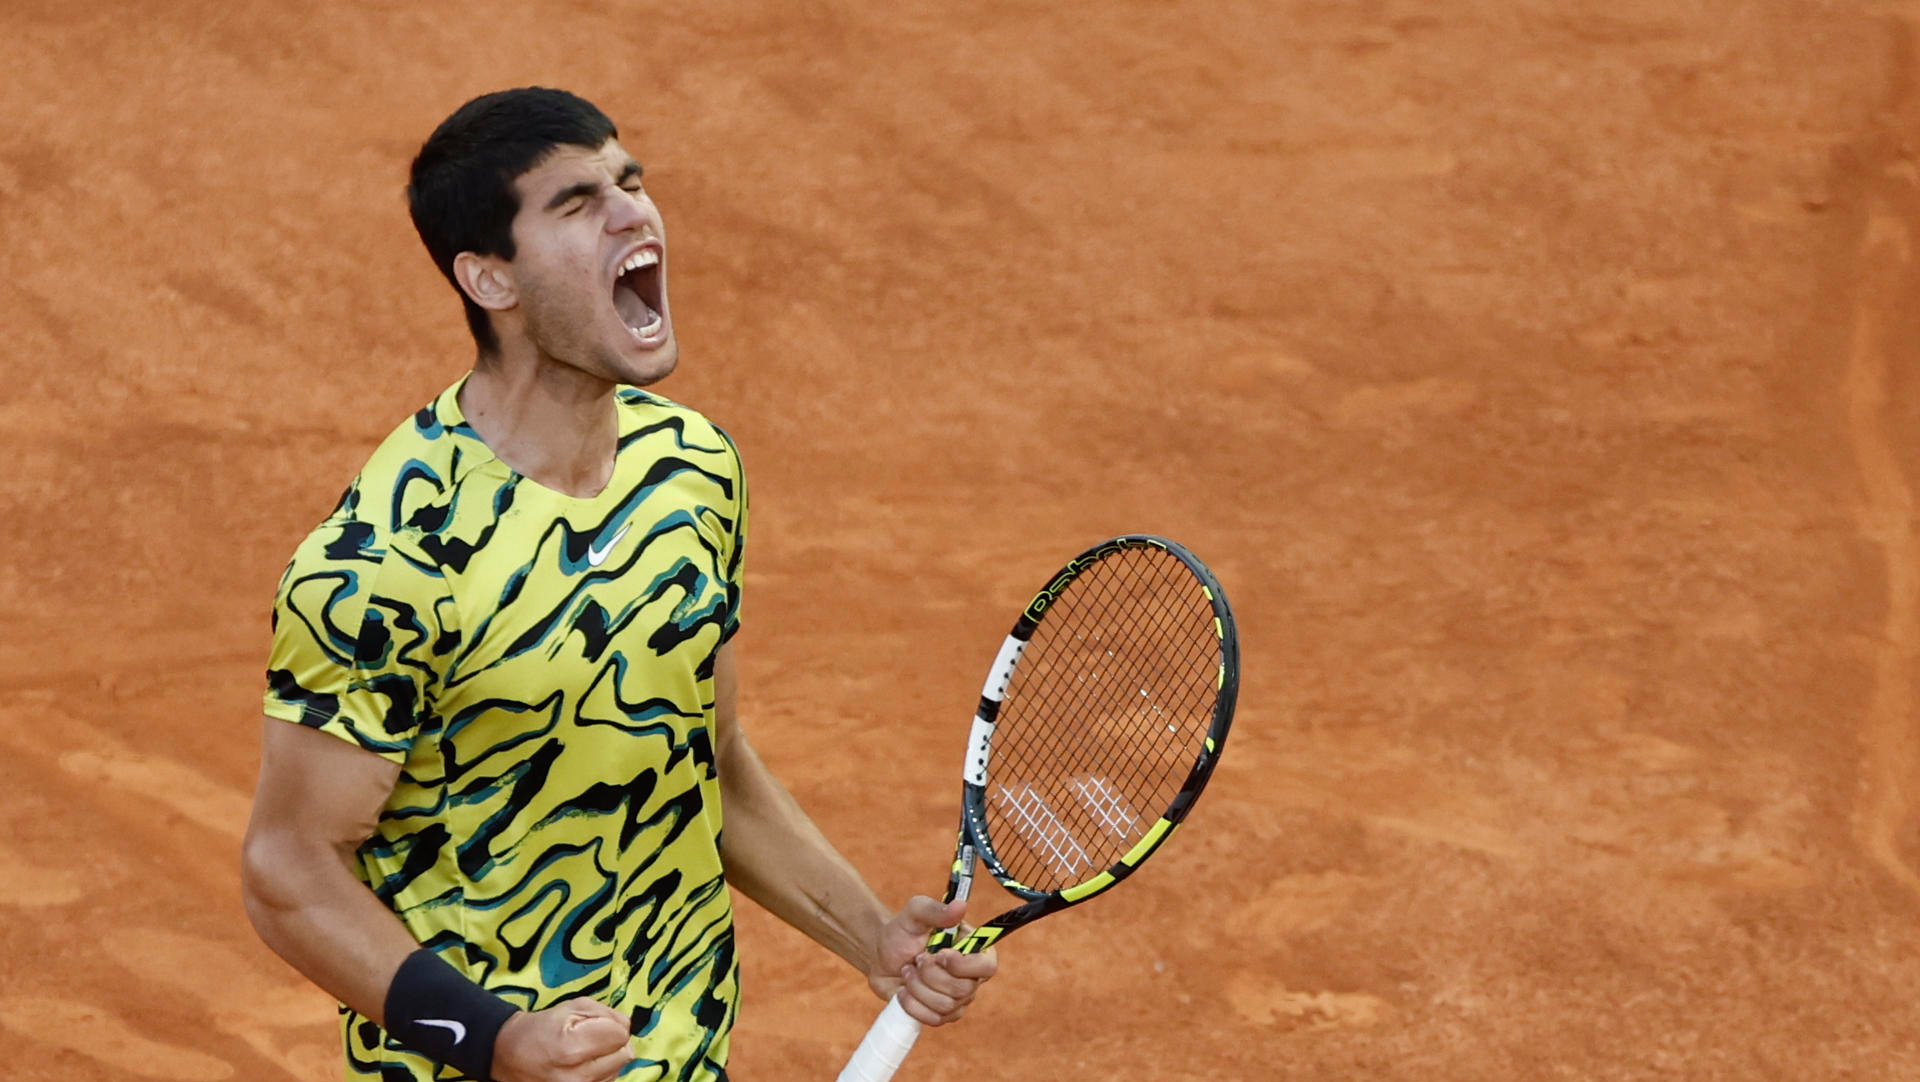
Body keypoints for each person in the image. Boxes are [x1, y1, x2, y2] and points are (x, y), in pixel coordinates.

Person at [239, 86, 995, 1082]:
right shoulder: (388, 561)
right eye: (576, 202)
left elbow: (704, 759)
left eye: (630, 182)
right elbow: (289, 868)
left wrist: (870, 935)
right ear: (490, 279)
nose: (634, 212)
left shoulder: (691, 469)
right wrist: (496, 1038)